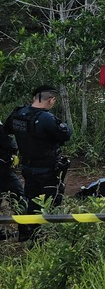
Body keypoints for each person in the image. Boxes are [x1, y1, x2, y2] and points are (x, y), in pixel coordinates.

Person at [3, 85, 73, 242]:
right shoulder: (46, 119)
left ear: (34, 98)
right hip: (48, 168)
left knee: (31, 199)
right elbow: (66, 135)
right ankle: (44, 238)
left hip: (28, 167)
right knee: (51, 201)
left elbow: (7, 129)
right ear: (51, 100)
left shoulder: (18, 114)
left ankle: (29, 232)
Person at [0, 123, 24, 240]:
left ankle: (25, 230)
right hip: (5, 172)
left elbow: (11, 144)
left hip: (5, 171)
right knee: (19, 198)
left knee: (20, 199)